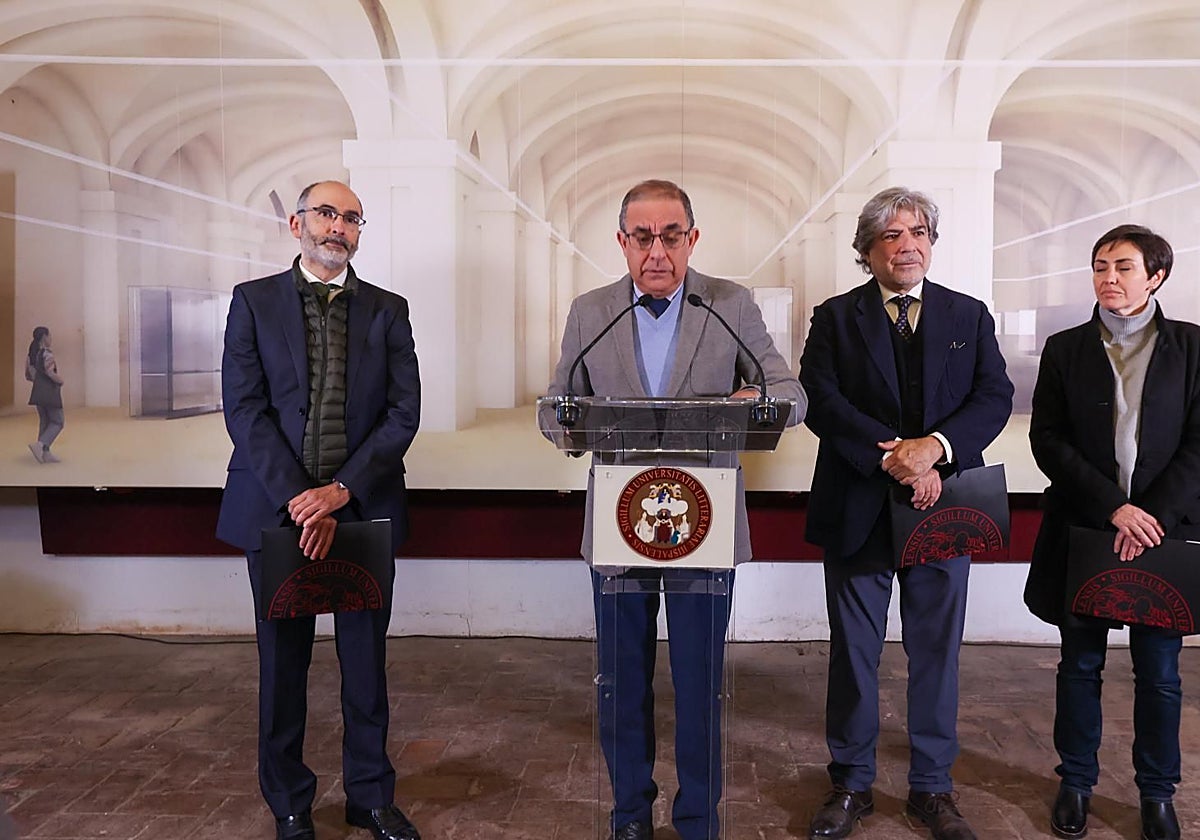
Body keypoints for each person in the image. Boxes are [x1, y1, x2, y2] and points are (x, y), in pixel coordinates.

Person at [543, 179, 805, 840]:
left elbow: (789, 390)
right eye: (642, 236)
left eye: (670, 236)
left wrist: (760, 402)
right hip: (618, 527)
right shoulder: (590, 310)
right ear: (622, 242)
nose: (655, 251)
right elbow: (557, 407)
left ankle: (697, 820)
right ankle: (630, 812)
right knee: (622, 682)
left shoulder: (730, 305)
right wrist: (570, 425)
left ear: (692, 239)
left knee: (700, 685)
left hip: (706, 527)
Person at [798, 187, 1013, 840]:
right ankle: (851, 784)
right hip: (859, 502)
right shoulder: (834, 318)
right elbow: (821, 397)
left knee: (936, 654)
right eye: (892, 234)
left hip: (946, 507)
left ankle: (931, 788)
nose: (909, 243)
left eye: (920, 231)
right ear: (867, 249)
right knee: (855, 654)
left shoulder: (969, 315)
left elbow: (993, 395)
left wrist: (934, 454)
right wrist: (891, 456)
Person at [217, 181, 422, 840]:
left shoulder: (389, 310)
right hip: (277, 512)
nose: (339, 227)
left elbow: (402, 414)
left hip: (360, 509)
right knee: (283, 667)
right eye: (327, 214)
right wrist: (299, 499)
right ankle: (289, 802)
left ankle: (370, 795)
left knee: (365, 666)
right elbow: (244, 409)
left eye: (351, 218)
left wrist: (338, 492)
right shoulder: (252, 303)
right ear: (296, 223)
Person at [1024, 224, 1196, 840]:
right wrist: (1113, 509)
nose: (1109, 278)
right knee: (1080, 666)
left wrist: (1150, 515)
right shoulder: (1066, 348)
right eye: (1100, 266)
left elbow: (1199, 446)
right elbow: (1047, 439)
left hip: (1164, 535)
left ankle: (1157, 793)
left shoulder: (1193, 348)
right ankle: (1075, 782)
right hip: (1087, 529)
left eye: (1123, 267)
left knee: (1160, 674)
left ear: (1156, 276)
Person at [26, 326, 64, 463]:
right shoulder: (47, 353)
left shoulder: (32, 355)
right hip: (50, 393)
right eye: (50, 336)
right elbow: (50, 372)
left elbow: (28, 375)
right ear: (45, 337)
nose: (51, 339)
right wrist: (60, 380)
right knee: (58, 421)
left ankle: (45, 453)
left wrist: (38, 381)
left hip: (37, 392)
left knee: (45, 421)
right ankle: (41, 445)